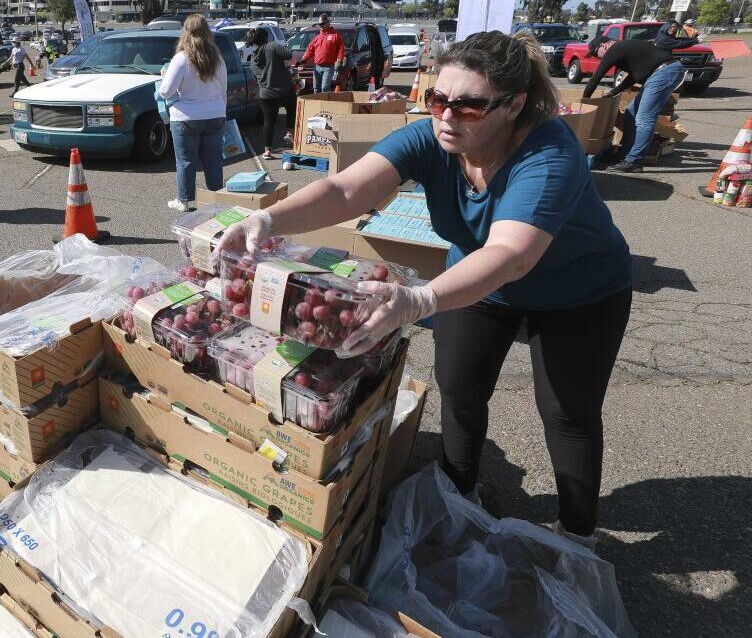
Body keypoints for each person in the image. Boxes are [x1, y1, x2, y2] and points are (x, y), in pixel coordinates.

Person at [218, 30, 633, 549]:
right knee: (460, 389)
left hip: (580, 289)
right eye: (438, 99)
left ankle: (577, 535)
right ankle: (460, 497)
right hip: (475, 282)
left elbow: (512, 254)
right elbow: (347, 189)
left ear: (514, 106)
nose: (446, 117)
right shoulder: (432, 139)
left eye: (468, 106)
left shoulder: (549, 152)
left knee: (567, 412)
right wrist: (270, 218)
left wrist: (418, 299)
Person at [582, 19, 696, 173]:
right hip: (662, 73)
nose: (598, 58)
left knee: (644, 118)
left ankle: (634, 160)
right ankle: (624, 154)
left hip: (664, 72)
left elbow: (596, 77)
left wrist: (584, 101)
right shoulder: (625, 48)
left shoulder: (615, 49)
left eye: (596, 54)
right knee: (631, 112)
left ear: (603, 45)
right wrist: (614, 92)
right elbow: (634, 76)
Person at [158, 13, 228, 212]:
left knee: (186, 161)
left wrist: (164, 76)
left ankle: (184, 200)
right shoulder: (218, 58)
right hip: (215, 115)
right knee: (214, 161)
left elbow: (165, 91)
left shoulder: (181, 58)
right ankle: (216, 198)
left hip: (186, 118)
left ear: (185, 33)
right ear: (207, 32)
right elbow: (223, 89)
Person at [246, 27, 296, 167]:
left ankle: (267, 150)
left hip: (266, 94)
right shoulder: (273, 46)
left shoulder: (253, 59)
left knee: (269, 122)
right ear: (266, 37)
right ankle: (289, 132)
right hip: (284, 89)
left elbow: (258, 77)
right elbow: (289, 54)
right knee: (293, 108)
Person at [300, 13, 345, 93]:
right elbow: (310, 50)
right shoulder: (317, 38)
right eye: (320, 24)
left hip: (328, 67)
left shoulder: (335, 35)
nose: (321, 26)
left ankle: (325, 104)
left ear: (328, 23)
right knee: (316, 88)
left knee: (324, 88)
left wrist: (339, 60)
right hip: (317, 67)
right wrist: (303, 60)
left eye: (323, 24)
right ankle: (317, 105)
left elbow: (340, 49)